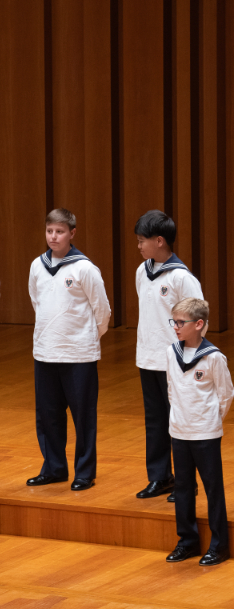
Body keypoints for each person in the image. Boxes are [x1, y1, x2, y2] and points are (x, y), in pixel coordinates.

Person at [25, 209, 111, 491]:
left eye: (59, 232)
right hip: (45, 353)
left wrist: (84, 337)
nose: (53, 237)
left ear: (72, 234)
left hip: (79, 356)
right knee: (48, 415)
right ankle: (54, 467)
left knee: (83, 416)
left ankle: (85, 472)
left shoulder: (84, 268)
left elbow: (102, 311)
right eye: (50, 231)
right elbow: (37, 302)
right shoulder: (37, 266)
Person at [132, 210, 204, 501]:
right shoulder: (142, 272)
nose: (138, 246)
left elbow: (198, 320)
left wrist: (189, 357)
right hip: (147, 360)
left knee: (180, 424)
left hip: (175, 362)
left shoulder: (181, 277)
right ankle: (160, 477)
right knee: (156, 422)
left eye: (142, 240)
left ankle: (188, 483)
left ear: (159, 241)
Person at [164, 298, 232, 566]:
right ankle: (187, 542)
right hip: (179, 431)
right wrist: (179, 418)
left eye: (181, 323)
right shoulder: (172, 352)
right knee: (182, 487)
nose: (176, 327)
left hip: (205, 433)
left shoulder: (213, 357)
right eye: (175, 322)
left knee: (213, 488)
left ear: (199, 324)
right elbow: (171, 387)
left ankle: (219, 546)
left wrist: (209, 421)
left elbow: (226, 395)